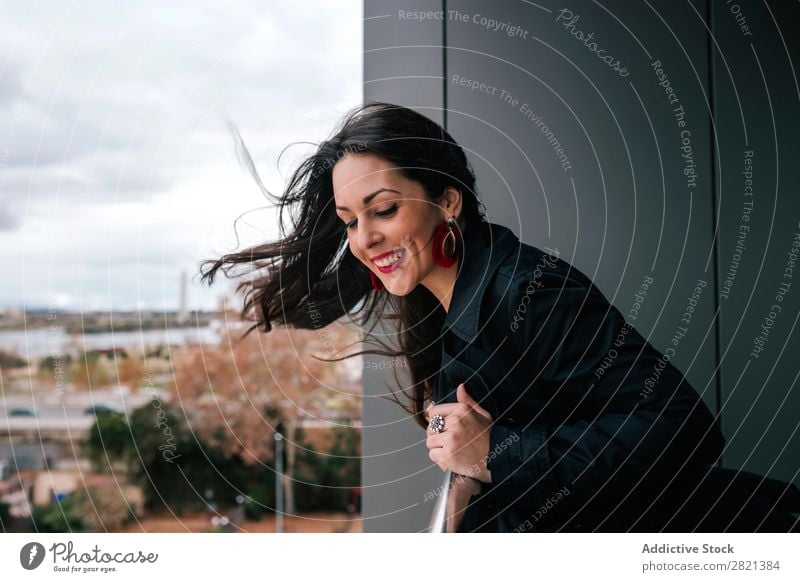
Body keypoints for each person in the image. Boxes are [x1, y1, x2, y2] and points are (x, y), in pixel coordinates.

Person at [201, 102, 800, 532]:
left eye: (382, 209)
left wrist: (496, 452)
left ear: (448, 202)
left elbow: (687, 428)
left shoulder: (527, 292)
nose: (364, 237)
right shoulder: (436, 303)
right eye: (350, 220)